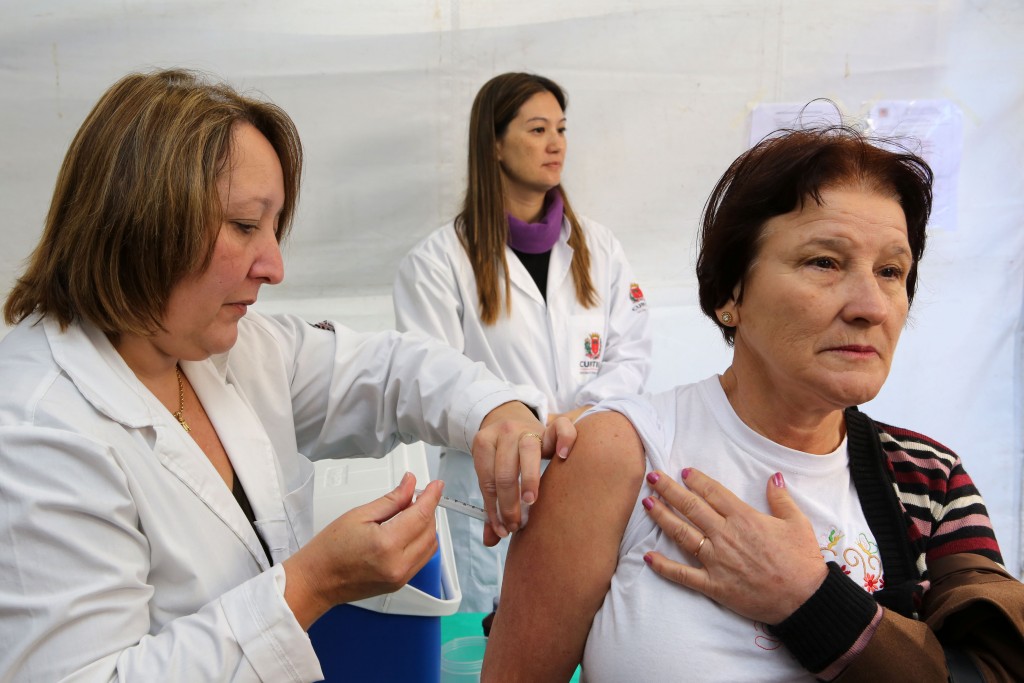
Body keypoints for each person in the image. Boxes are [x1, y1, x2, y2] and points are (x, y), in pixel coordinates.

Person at [0, 68, 575, 682]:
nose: (274, 267)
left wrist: (494, 409)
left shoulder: (224, 349)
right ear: (142, 222)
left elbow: (389, 371)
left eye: (274, 229)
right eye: (246, 226)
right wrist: (312, 584)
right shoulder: (40, 430)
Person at [483, 125, 1024, 681]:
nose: (872, 306)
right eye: (825, 262)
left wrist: (810, 600)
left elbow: (995, 669)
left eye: (891, 271)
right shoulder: (622, 455)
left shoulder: (929, 479)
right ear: (730, 294)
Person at [392, 72, 652, 612]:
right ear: (493, 144)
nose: (556, 143)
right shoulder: (436, 264)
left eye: (561, 128)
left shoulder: (599, 248)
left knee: (590, 623)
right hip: (493, 488)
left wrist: (574, 421)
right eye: (537, 129)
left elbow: (631, 354)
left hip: (588, 470)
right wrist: (529, 421)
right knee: (492, 634)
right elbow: (433, 382)